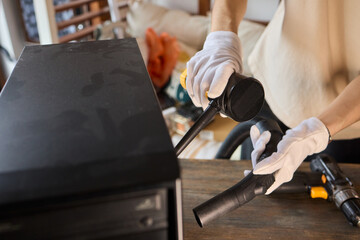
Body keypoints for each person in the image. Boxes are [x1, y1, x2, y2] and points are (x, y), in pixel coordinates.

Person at [186, 0, 360, 194]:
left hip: (344, 124)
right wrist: (221, 37)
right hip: (273, 87)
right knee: (251, 199)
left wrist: (317, 130)